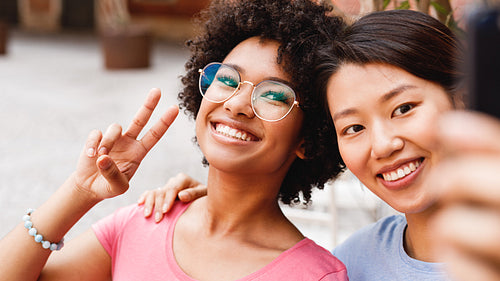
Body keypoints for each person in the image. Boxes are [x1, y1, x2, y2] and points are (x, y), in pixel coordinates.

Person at [0, 0, 350, 280]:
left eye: (274, 96)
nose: (237, 104)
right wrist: (79, 192)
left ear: (308, 138)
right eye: (227, 80)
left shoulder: (316, 275)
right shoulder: (144, 221)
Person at [143, 9, 500, 281]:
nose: (383, 145)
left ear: (465, 100)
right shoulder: (353, 264)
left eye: (403, 108)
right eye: (353, 127)